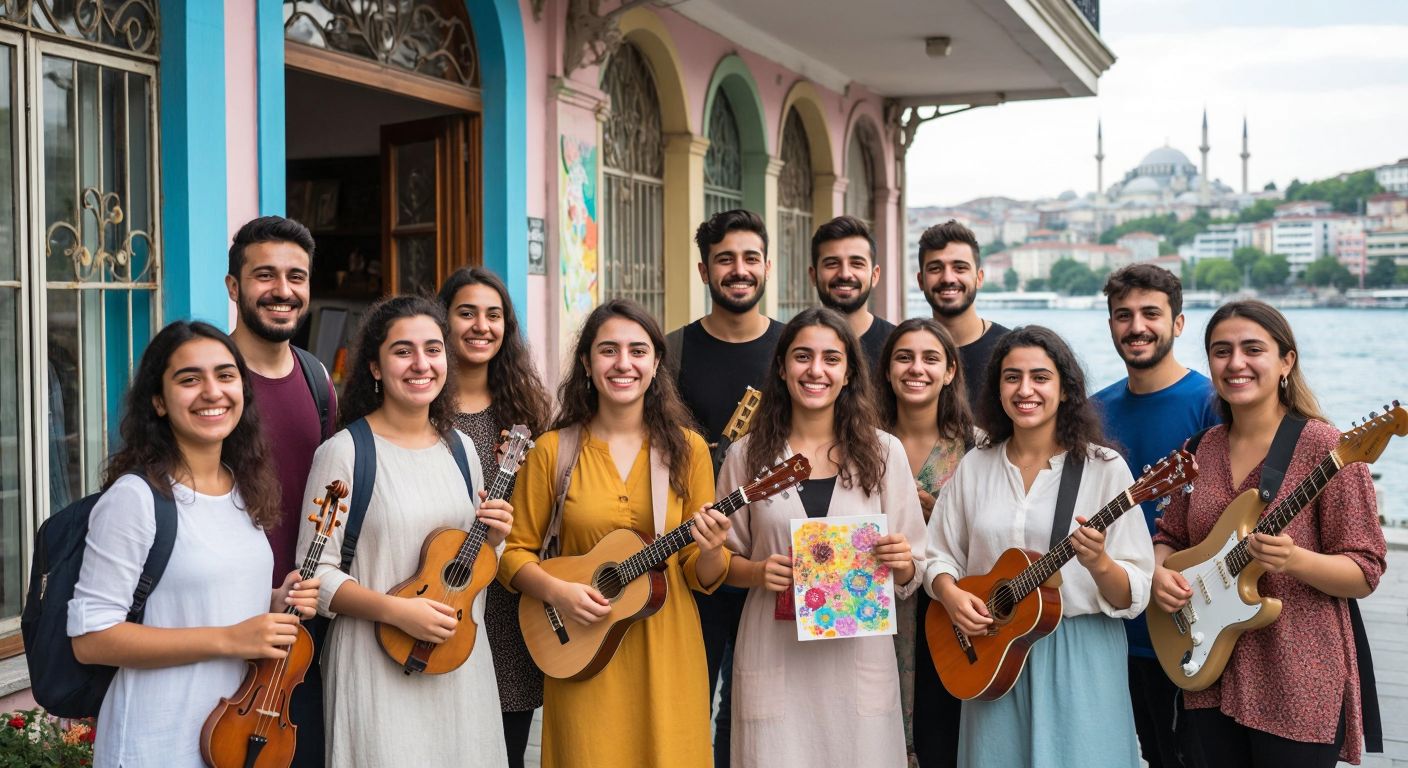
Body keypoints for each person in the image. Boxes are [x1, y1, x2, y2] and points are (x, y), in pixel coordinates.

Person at [68, 321, 320, 768]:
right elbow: (92, 638)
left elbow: (200, 598)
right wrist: (230, 639)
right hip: (156, 741)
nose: (212, 391)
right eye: (190, 379)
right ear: (159, 401)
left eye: (225, 376)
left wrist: (275, 603)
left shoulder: (243, 487)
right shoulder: (136, 498)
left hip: (236, 738)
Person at [1152, 300, 1386, 768]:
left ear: (1286, 360)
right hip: (1205, 668)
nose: (1235, 363)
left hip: (1297, 678)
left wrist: (1295, 559)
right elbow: (1170, 535)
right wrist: (1158, 573)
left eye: (1252, 349)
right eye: (1221, 351)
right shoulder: (1200, 449)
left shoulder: (1329, 448)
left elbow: (1365, 569)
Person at [501, 299, 732, 768]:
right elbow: (511, 554)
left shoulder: (688, 450)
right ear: (586, 362)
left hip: (667, 648)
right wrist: (559, 592)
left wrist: (711, 547)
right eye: (608, 350)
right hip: (582, 650)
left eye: (637, 351)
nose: (623, 363)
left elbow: (702, 573)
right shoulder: (552, 450)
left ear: (656, 364)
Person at [297, 296, 514, 767]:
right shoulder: (345, 452)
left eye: (433, 349)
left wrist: (496, 538)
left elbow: (471, 567)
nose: (421, 364)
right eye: (403, 351)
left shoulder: (461, 450)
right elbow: (315, 576)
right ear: (375, 367)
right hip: (373, 666)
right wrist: (398, 611)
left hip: (459, 664)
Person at [923, 325, 1153, 768]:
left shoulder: (1105, 469)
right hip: (990, 651)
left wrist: (1099, 562)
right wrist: (951, 595)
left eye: (1040, 377)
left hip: (1079, 655)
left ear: (1065, 389)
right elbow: (939, 554)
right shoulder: (977, 464)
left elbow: (1133, 594)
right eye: (1012, 377)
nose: (1025, 389)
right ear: (997, 389)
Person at [719, 307, 926, 767]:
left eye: (831, 358)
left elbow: (917, 566)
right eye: (802, 357)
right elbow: (720, 563)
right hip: (775, 656)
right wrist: (756, 570)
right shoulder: (747, 456)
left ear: (849, 371)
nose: (816, 370)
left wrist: (902, 559)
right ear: (781, 367)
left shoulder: (883, 452)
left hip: (858, 664)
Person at [665, 209, 783, 767]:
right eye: (725, 260)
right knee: (688, 705)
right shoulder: (670, 353)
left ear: (767, 266)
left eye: (750, 258)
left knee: (762, 715)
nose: (739, 270)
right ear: (704, 270)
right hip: (690, 564)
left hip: (774, 560)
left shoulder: (795, 350)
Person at [1091, 264, 1219, 768]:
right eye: (1124, 315)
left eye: (1151, 313)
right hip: (1116, 627)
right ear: (1110, 325)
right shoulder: (1093, 412)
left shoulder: (1213, 403)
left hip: (1194, 619)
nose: (1136, 327)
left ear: (1179, 323)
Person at [225, 214, 337, 767]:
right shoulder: (209, 382)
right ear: (234, 287)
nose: (282, 290)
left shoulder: (317, 379)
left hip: (300, 633)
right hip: (223, 628)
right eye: (264, 275)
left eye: (296, 276)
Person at [437, 266, 552, 768]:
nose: (481, 326)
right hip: (432, 598)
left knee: (505, 752)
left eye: (494, 315)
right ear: (442, 320)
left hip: (506, 614)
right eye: (466, 313)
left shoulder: (528, 413)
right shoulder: (420, 405)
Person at [875, 318, 976, 768]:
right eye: (904, 357)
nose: (917, 368)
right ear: (887, 370)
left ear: (950, 371)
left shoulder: (979, 449)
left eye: (931, 358)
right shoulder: (858, 444)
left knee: (943, 739)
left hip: (948, 619)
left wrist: (940, 516)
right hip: (874, 614)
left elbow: (996, 538)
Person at [915, 220, 1009, 415]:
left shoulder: (1010, 349)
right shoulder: (907, 356)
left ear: (979, 278)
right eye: (935, 268)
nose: (948, 278)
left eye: (960, 268)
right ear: (921, 280)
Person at [810, 215, 895, 371]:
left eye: (857, 264)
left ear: (874, 276)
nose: (845, 274)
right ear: (813, 275)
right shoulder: (796, 344)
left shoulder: (897, 345)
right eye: (832, 263)